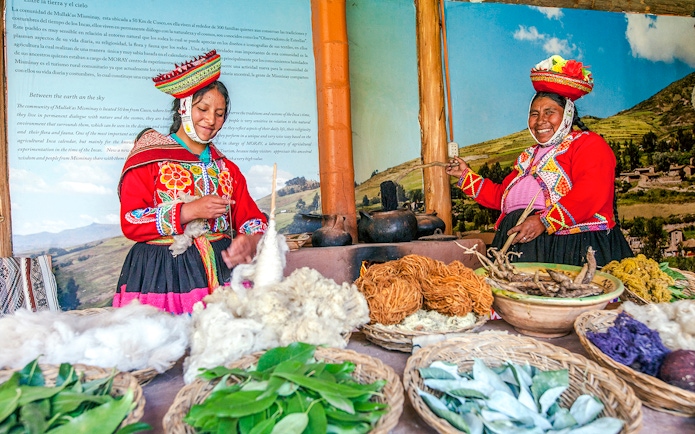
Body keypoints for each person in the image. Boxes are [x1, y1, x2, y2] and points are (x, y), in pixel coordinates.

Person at [114, 50, 268, 314]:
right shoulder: (150, 159)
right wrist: (188, 211)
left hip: (222, 274)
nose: (211, 120)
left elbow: (250, 218)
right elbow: (131, 220)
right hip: (163, 276)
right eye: (203, 109)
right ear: (184, 108)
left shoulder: (226, 169)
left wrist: (250, 240)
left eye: (220, 113)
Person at [446, 55, 633, 267]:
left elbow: (591, 192)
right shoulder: (528, 156)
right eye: (534, 114)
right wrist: (464, 175)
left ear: (567, 115)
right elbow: (502, 197)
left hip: (568, 247)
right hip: (521, 245)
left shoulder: (588, 144)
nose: (540, 120)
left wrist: (544, 221)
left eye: (549, 112)